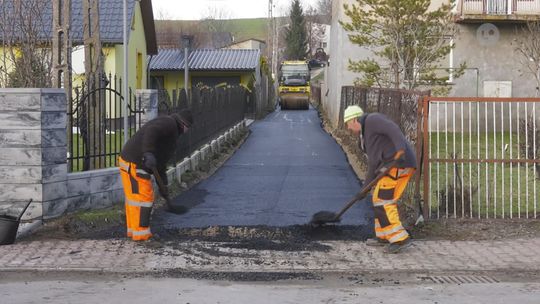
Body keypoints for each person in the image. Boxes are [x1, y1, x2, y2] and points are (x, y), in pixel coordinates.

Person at [343, 105, 417, 253]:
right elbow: (373, 164)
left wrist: (400, 150)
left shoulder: (372, 120)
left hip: (398, 163)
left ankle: (399, 239)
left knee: (383, 201)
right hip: (395, 166)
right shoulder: (365, 136)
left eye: (348, 125)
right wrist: (365, 188)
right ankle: (384, 235)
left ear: (354, 120)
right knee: (380, 200)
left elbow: (394, 130)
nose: (349, 129)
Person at [118, 110, 193, 241]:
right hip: (136, 162)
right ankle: (142, 235)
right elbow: (151, 131)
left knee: (134, 199)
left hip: (129, 159)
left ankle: (134, 231)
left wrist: (163, 185)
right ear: (184, 124)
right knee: (144, 198)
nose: (187, 131)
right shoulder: (169, 123)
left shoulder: (172, 136)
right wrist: (148, 153)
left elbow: (161, 164)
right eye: (188, 128)